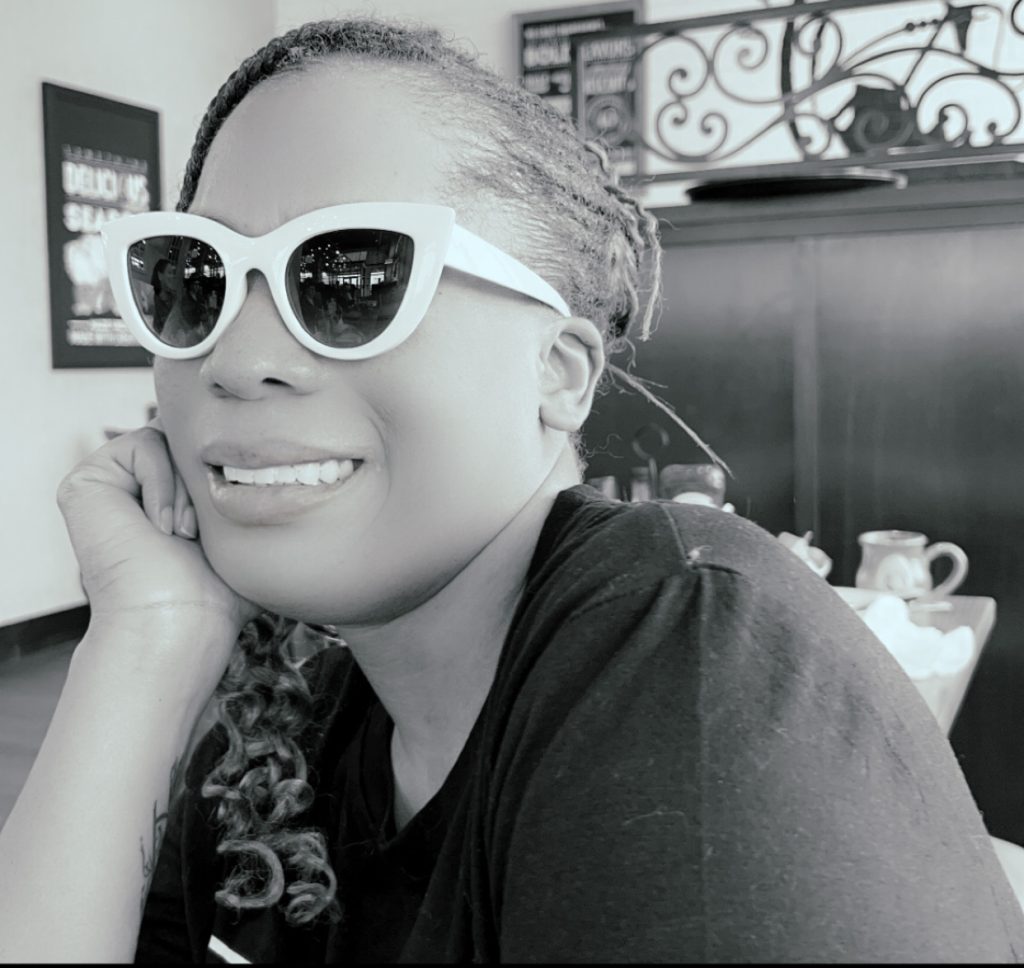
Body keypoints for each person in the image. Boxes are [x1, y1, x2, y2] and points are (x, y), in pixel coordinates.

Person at [2, 16, 1023, 964]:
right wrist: (143, 638)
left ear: (559, 372)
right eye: (199, 278)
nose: (239, 358)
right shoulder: (282, 733)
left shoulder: (686, 654)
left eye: (349, 278)